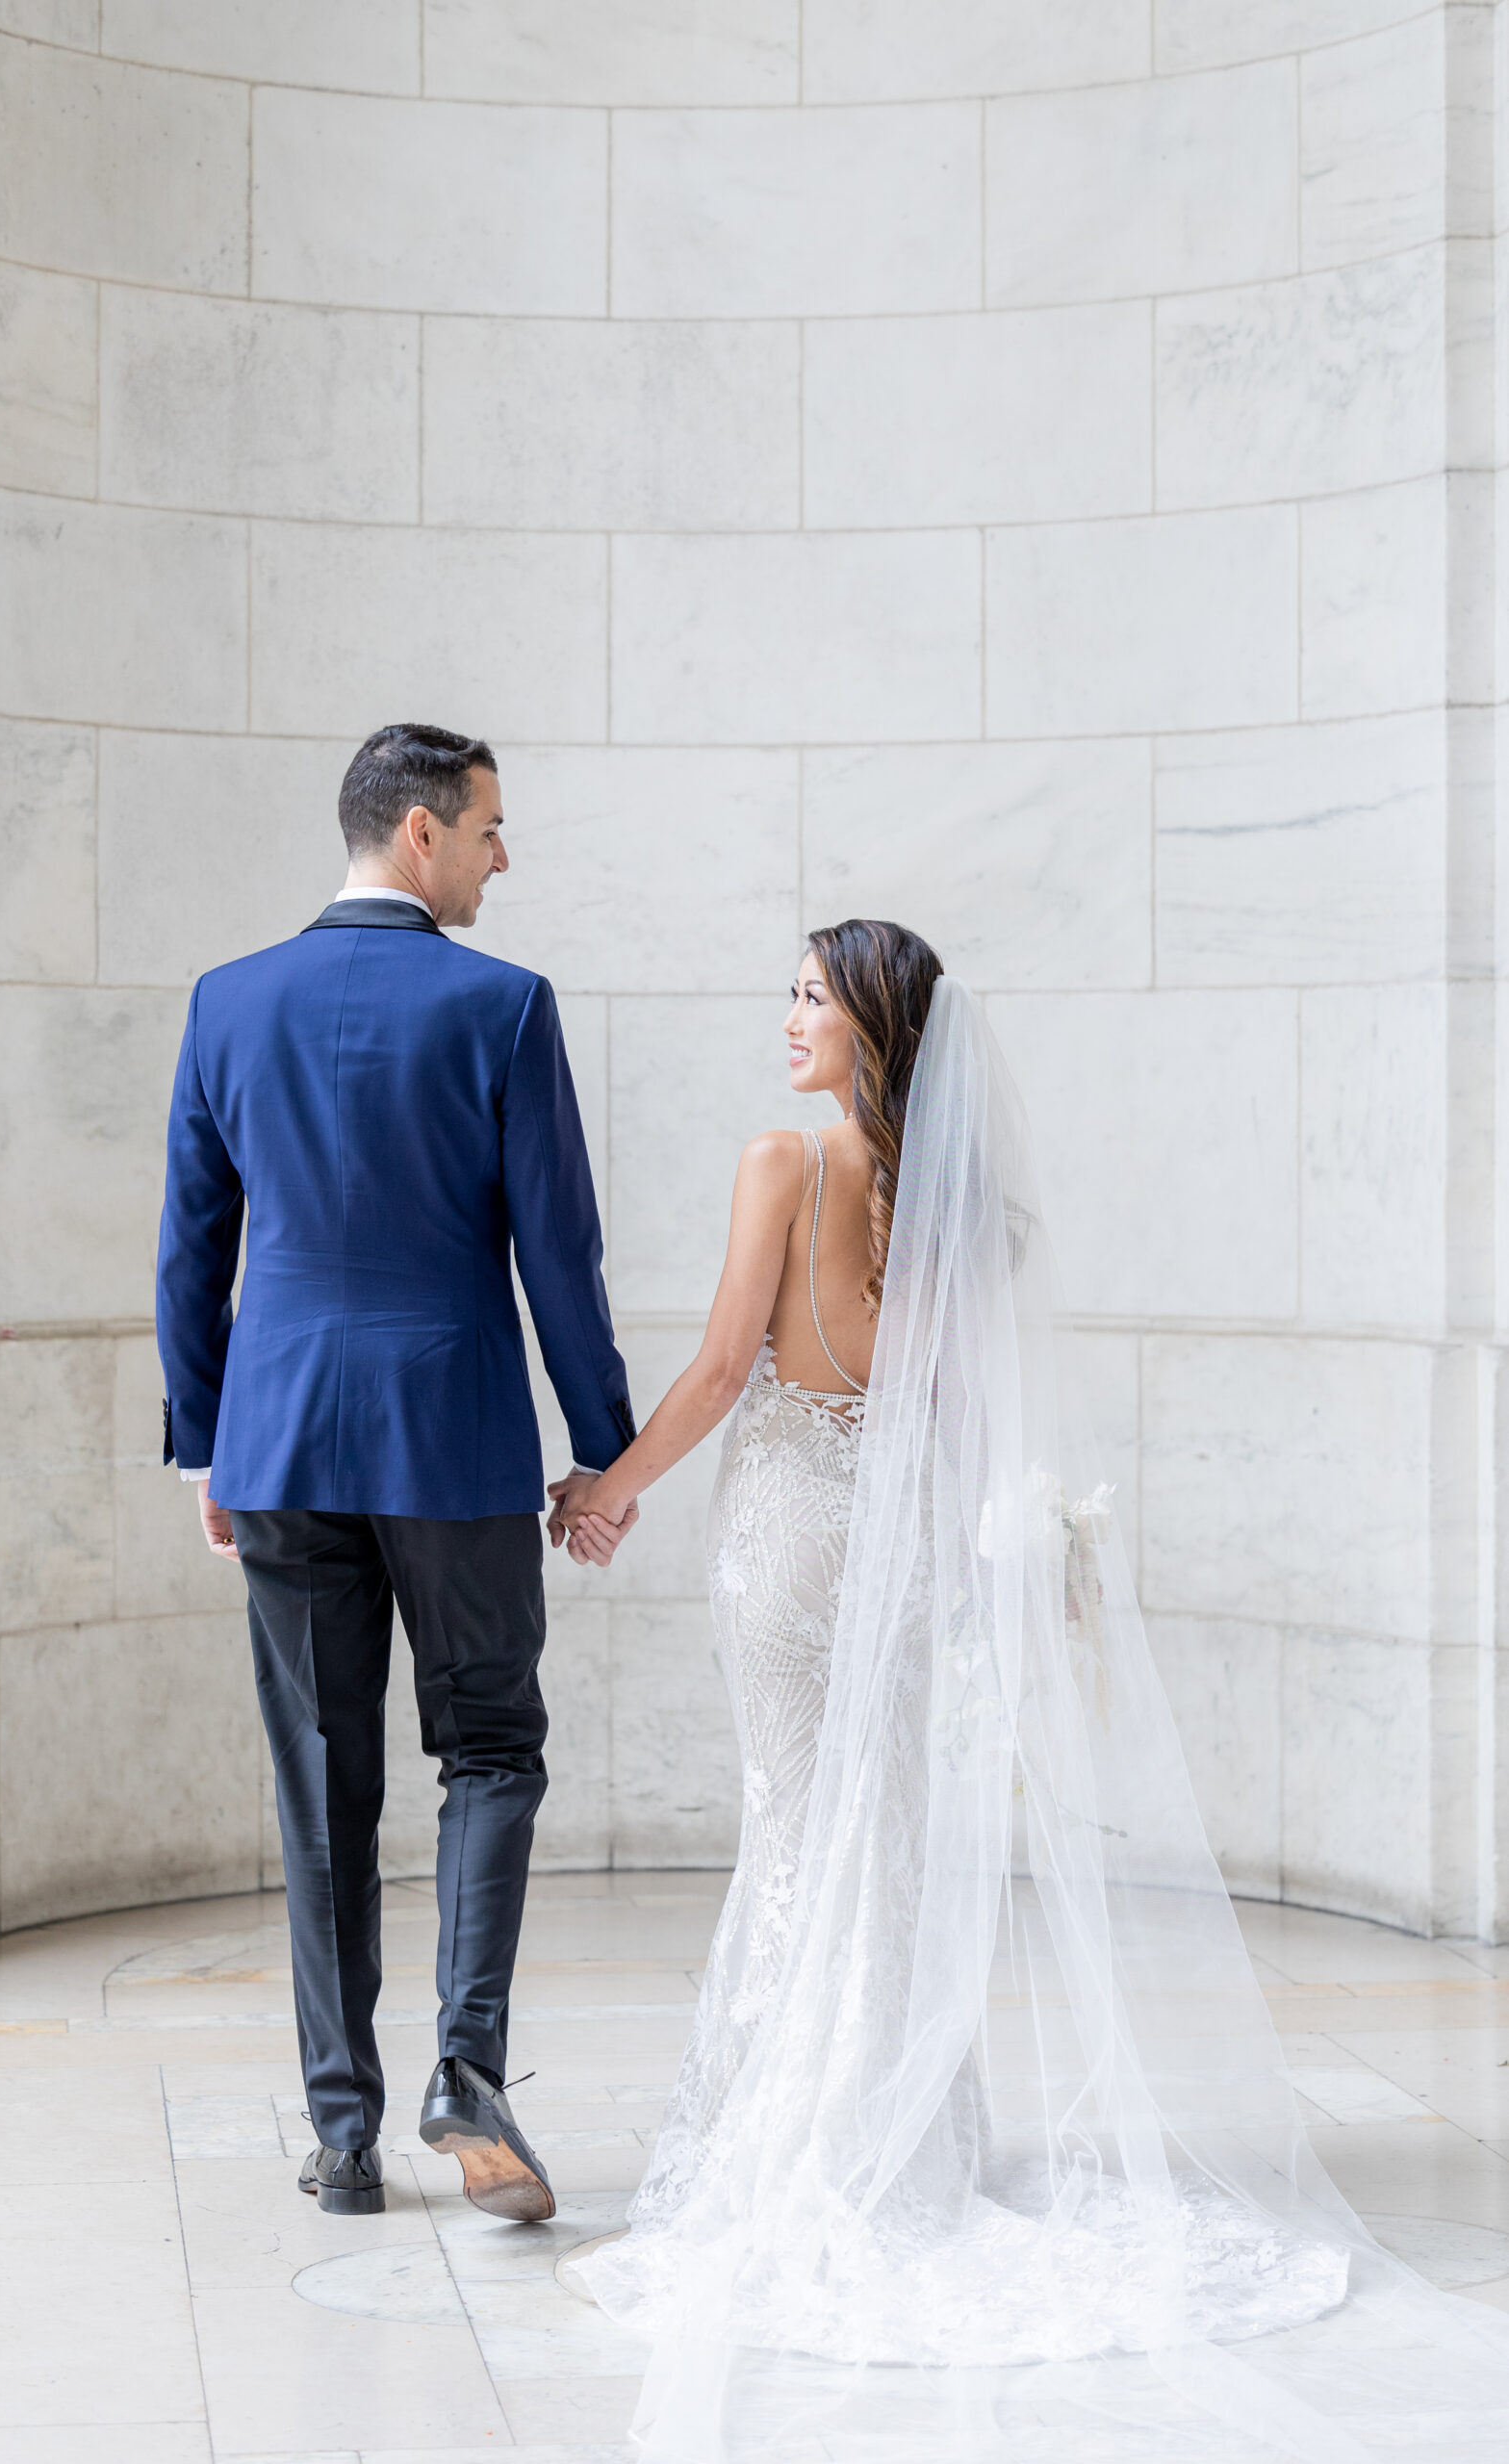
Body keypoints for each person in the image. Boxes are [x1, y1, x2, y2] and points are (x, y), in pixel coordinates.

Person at [563, 921, 1509, 2463]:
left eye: (808, 998)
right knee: (889, 1832)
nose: (785, 1019)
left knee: (802, 1835)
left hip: (789, 1540)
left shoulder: (783, 1167)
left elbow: (732, 1366)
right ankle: (904, 2142)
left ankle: (816, 2149)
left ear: (870, 1029)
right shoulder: (967, 1219)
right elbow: (954, 1419)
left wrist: (612, 1486)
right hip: (901, 1547)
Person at [156, 723, 636, 2228]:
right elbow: (557, 1251)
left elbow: (190, 1244)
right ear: (419, 833)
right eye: (490, 826)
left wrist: (202, 1435)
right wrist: (603, 1447)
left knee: (321, 1786)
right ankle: (465, 2076)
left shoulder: (229, 1003)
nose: (505, 854)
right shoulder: (500, 1008)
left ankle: (344, 2137)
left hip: (284, 1433)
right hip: (455, 1438)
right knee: (489, 1748)